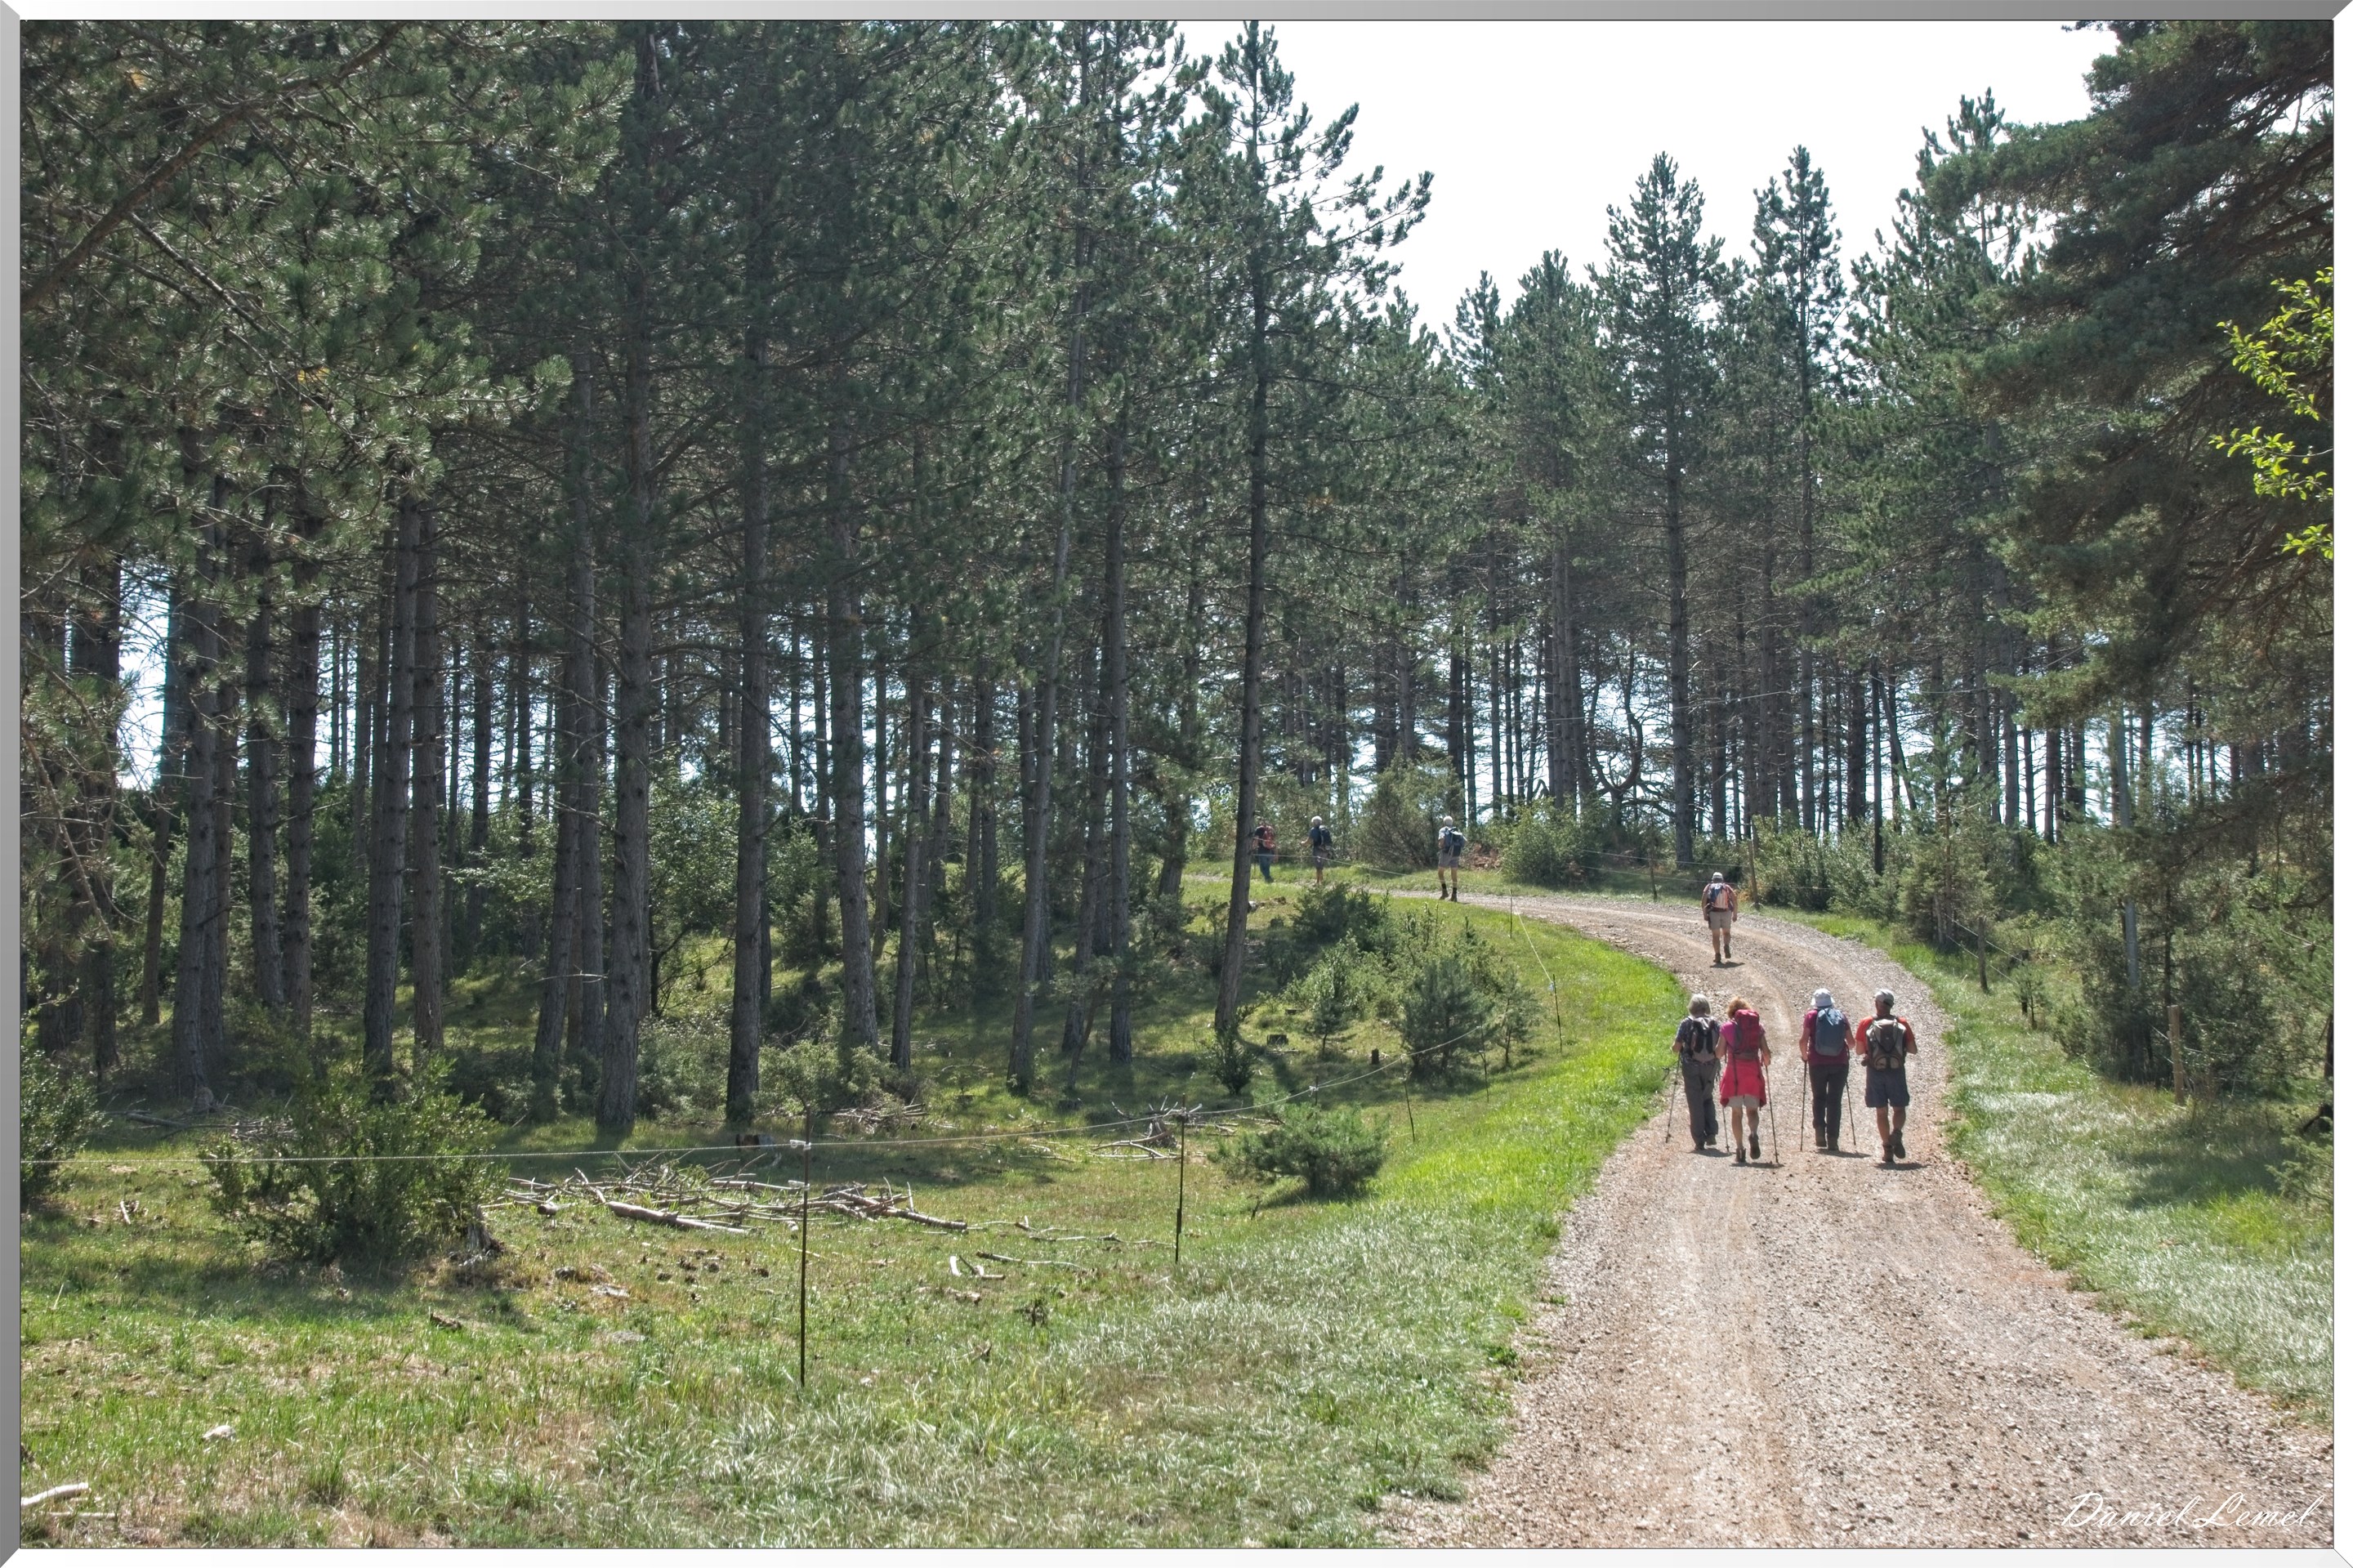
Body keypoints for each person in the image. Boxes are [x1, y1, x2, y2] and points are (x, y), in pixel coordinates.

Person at [1860, 987, 1919, 1164]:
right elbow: (1913, 1050)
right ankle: (1897, 1133)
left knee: (1881, 1111)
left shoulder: (1866, 1023)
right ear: (1891, 1005)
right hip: (1896, 1072)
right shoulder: (1902, 1023)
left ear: (1877, 1004)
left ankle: (1887, 1149)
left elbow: (1859, 1050)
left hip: (1875, 1072)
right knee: (1899, 1108)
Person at [1799, 987, 1854, 1153]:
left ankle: (1819, 1133)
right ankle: (1833, 1139)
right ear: (1831, 1002)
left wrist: (1805, 1056)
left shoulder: (1811, 1016)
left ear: (1816, 1003)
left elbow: (1803, 1041)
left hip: (1817, 1062)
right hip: (1840, 1063)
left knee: (1819, 1097)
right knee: (1835, 1101)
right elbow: (1851, 1043)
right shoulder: (1841, 1016)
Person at [1717, 995, 1770, 1164]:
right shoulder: (1758, 1028)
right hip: (1752, 1074)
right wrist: (1765, 1062)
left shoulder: (1727, 1028)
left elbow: (1719, 1054)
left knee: (1737, 1112)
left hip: (1735, 1076)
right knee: (1752, 1111)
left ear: (1731, 1013)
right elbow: (1767, 1054)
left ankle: (1740, 1149)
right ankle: (1753, 1134)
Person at [1673, 994, 1722, 1153]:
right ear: (1706, 1007)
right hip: (1710, 1066)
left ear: (1692, 1007)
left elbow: (1676, 1047)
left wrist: (1677, 1049)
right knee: (1707, 1097)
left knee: (1695, 1101)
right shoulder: (1715, 1024)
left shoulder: (1686, 1023)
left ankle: (1699, 1139)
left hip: (1691, 1066)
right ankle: (1711, 1132)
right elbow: (1720, 1046)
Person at [1702, 871, 1739, 965]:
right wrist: (1735, 914)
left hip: (1714, 913)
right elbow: (1734, 900)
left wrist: (1705, 914)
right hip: (1727, 912)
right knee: (1726, 932)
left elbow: (1704, 900)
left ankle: (1717, 955)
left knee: (1715, 935)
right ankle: (1726, 945)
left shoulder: (1709, 887)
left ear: (1713, 880)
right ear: (1722, 879)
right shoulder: (1727, 887)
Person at [1436, 817, 1466, 900]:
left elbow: (1442, 839)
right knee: (1454, 875)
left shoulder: (1443, 830)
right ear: (1452, 822)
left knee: (1440, 873)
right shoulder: (1456, 830)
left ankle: (1445, 891)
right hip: (1456, 854)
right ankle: (1454, 895)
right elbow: (1465, 841)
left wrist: (1441, 846)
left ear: (1444, 823)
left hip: (1446, 853)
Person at [1308, 815, 1335, 884]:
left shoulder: (1314, 830)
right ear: (1320, 822)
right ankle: (1321, 880)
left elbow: (1309, 841)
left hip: (1318, 849)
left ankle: (1318, 882)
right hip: (1326, 850)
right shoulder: (1325, 829)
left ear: (1314, 822)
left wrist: (1302, 843)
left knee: (1318, 867)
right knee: (1321, 866)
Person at [1252, 820, 1277, 884]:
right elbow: (1274, 842)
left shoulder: (1258, 829)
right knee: (1267, 868)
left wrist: (1252, 848)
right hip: (1270, 852)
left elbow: (1256, 841)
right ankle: (1267, 880)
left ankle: (1269, 879)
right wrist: (1276, 854)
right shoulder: (1271, 830)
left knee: (1262, 869)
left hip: (1262, 852)